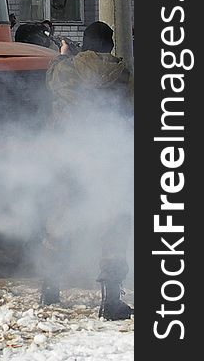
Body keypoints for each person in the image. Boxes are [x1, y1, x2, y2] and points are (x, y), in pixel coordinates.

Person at [41, 21, 134, 320]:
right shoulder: (124, 73)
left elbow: (52, 79)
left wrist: (64, 54)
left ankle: (50, 288)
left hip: (69, 156)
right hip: (108, 158)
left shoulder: (67, 69)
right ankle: (110, 299)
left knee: (60, 219)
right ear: (110, 45)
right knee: (114, 224)